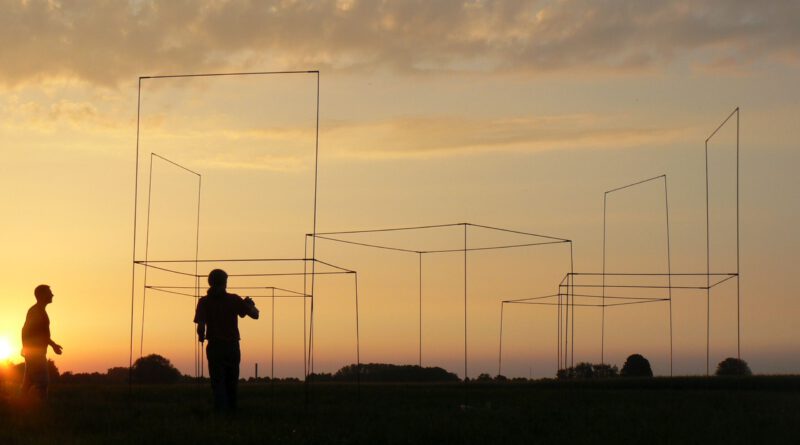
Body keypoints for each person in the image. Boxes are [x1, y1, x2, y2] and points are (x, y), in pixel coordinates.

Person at [194, 269, 259, 412]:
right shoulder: (234, 299)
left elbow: (200, 326)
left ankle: (220, 412)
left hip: (215, 347)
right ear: (224, 282)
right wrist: (250, 305)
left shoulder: (204, 302)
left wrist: (201, 337)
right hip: (232, 347)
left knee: (217, 382)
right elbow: (255, 315)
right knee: (231, 381)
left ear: (210, 282)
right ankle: (231, 412)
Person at [21, 284, 63, 400]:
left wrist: (53, 345)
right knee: (42, 382)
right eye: (49, 292)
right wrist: (27, 349)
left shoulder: (38, 311)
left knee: (28, 383)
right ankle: (39, 408)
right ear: (42, 295)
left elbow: (39, 333)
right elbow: (27, 331)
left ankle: (19, 406)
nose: (52, 295)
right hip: (36, 353)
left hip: (34, 352)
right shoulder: (36, 311)